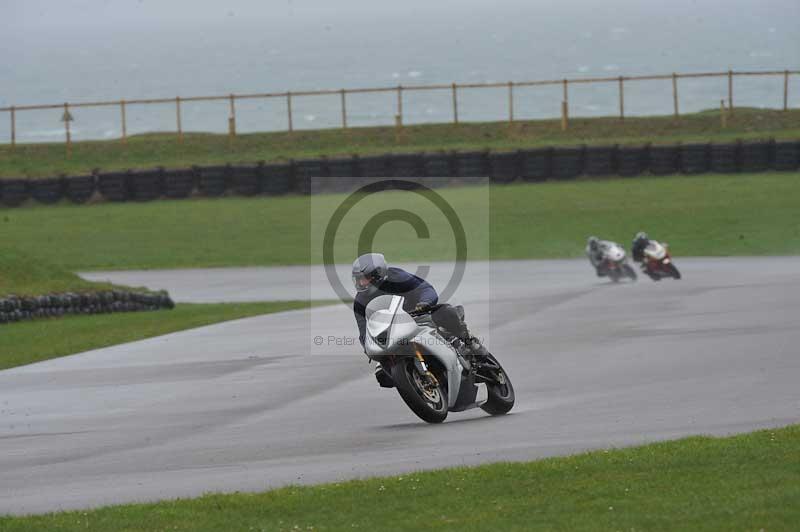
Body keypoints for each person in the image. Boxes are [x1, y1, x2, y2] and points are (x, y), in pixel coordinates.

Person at [351, 252, 485, 388]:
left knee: (445, 312)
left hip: (419, 314)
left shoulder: (396, 277)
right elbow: (364, 331)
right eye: (358, 279)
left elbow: (424, 288)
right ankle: (414, 382)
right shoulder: (360, 301)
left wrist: (425, 302)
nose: (361, 283)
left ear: (378, 274)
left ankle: (470, 342)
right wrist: (369, 348)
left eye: (365, 279)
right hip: (393, 331)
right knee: (383, 376)